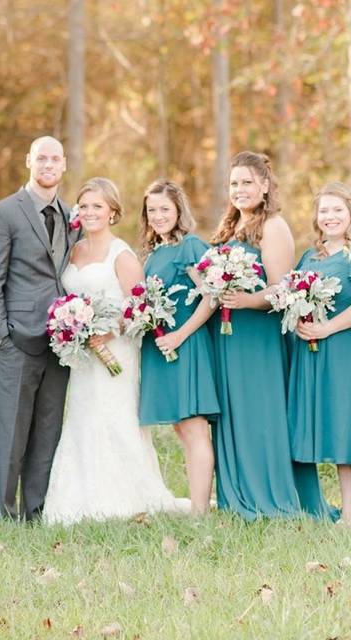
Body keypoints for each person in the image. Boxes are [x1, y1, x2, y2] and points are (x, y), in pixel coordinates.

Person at [43, 178, 190, 524]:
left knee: (114, 419)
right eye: (85, 206)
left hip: (116, 354)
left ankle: (123, 499)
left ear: (112, 212)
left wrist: (108, 330)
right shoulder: (74, 250)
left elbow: (142, 308)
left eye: (98, 206)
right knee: (81, 418)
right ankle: (74, 501)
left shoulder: (121, 254)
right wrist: (72, 328)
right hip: (83, 358)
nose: (90, 212)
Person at [210, 152, 332, 519]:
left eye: (247, 182)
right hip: (227, 337)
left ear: (265, 186)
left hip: (258, 339)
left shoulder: (273, 227)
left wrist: (246, 300)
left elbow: (283, 291)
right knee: (232, 415)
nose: (240, 189)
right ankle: (238, 495)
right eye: (234, 183)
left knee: (259, 415)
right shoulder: (228, 228)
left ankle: (269, 496)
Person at [0, 136, 80, 521]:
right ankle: (2, 513)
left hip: (62, 342)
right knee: (11, 432)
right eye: (41, 158)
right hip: (16, 339)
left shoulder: (73, 216)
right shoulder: (3, 213)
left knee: (48, 429)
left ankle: (34, 510)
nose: (48, 164)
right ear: (28, 162)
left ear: (64, 164)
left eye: (55, 158)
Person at [288, 182, 351, 524]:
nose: (330, 217)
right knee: (341, 432)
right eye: (324, 211)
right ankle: (349, 514)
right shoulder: (310, 257)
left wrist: (327, 328)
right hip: (321, 354)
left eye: (337, 210)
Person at [136, 180, 219, 515]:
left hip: (186, 345)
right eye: (152, 210)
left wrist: (180, 335)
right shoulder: (153, 254)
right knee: (180, 428)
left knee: (194, 427)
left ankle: (200, 512)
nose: (158, 216)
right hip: (162, 347)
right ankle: (200, 504)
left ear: (179, 211)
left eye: (164, 209)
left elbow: (211, 296)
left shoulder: (190, 246)